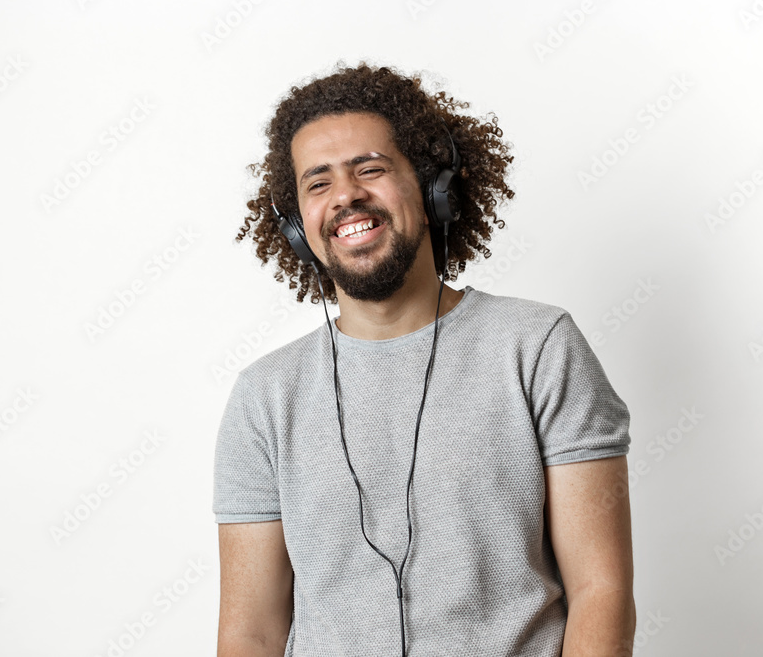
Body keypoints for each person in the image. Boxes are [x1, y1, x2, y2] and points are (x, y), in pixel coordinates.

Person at [213, 60, 636, 657]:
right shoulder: (264, 396)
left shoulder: (538, 347)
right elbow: (250, 633)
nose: (346, 196)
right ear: (296, 228)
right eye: (318, 183)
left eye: (370, 169)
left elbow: (601, 592)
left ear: (434, 189)